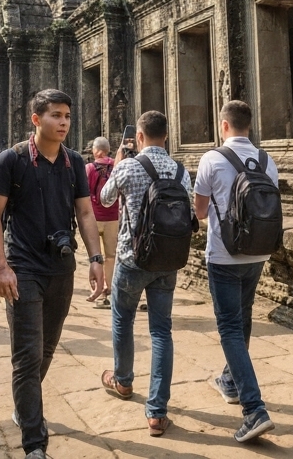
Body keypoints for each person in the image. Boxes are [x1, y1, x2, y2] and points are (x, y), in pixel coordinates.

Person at [0, 89, 106, 459]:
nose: (64, 122)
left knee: (46, 350)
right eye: (56, 115)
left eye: (67, 115)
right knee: (26, 354)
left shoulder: (72, 162)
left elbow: (85, 213)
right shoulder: (13, 160)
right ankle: (35, 444)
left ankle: (25, 406)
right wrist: (0, 265)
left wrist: (96, 258)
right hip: (22, 268)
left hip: (60, 267)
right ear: (36, 120)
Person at [97, 111, 190, 437]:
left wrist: (119, 161)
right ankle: (157, 411)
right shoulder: (181, 171)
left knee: (123, 319)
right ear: (167, 136)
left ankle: (123, 380)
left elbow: (104, 198)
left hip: (131, 259)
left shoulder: (127, 166)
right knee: (161, 331)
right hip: (168, 260)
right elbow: (188, 212)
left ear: (139, 137)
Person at [193, 100, 277, 443]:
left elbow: (199, 212)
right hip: (258, 253)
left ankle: (254, 409)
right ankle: (229, 381)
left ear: (223, 125)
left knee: (229, 325)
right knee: (242, 319)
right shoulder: (268, 161)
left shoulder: (212, 159)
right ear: (249, 125)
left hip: (224, 255)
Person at [85, 136, 117, 309]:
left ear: (96, 151)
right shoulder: (118, 166)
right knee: (111, 256)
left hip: (93, 218)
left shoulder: (89, 168)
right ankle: (108, 289)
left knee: (95, 257)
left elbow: (84, 194)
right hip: (113, 217)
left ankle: (97, 289)